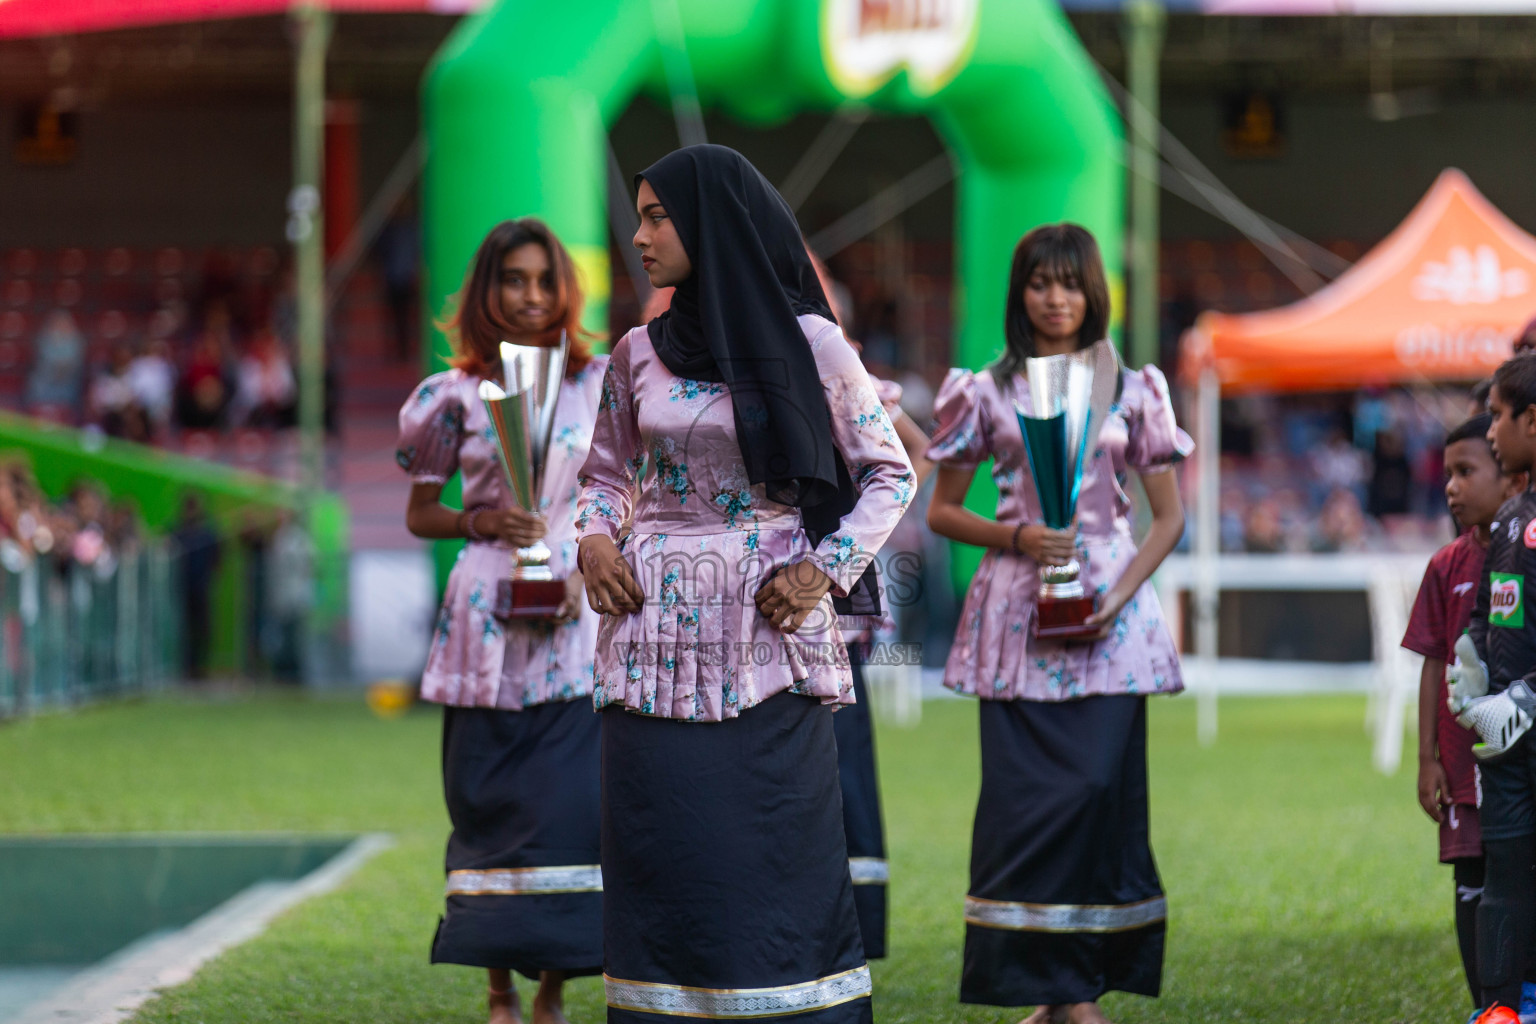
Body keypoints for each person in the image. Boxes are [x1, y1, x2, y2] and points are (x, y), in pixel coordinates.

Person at [575, 144, 913, 1024]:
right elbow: (605, 474)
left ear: (712, 222)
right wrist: (593, 541)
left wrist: (823, 571)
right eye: (640, 216)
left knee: (768, 842)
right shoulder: (636, 353)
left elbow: (890, 473)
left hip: (767, 635)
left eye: (659, 217)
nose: (641, 237)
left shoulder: (812, 344)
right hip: (649, 639)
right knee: (662, 844)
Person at [925, 224, 1191, 1024]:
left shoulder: (1136, 387)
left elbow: (1168, 518)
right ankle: (1057, 995)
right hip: (1015, 617)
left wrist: (1119, 596)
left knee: (1098, 795)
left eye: (1069, 283)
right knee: (1024, 806)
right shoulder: (980, 390)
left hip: (1112, 624)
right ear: (1020, 294)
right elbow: (940, 509)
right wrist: (1015, 537)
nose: (1055, 298)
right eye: (1040, 283)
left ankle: (1073, 986)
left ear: (1093, 292)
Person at [397, 218, 608, 1024]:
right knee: (486, 799)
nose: (529, 296)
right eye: (512, 280)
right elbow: (423, 514)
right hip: (484, 616)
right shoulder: (451, 395)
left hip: (574, 615)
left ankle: (553, 987)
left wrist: (579, 559)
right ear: (487, 290)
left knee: (569, 806)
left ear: (564, 290)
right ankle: (497, 986)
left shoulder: (601, 386)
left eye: (542, 281)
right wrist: (482, 525)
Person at [1402, 413, 1529, 1015]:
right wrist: (1427, 757)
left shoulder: (1521, 551)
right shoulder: (1445, 565)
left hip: (1515, 758)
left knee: (1516, 879)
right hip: (1462, 767)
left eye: (1465, 471)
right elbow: (1432, 662)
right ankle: (1487, 1004)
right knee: (1471, 887)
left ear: (1509, 481)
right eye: (1448, 472)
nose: (1450, 485)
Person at [1458, 356, 1536, 1023]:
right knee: (1505, 876)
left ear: (1532, 421)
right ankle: (1501, 1009)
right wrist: (1472, 667)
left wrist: (1527, 698)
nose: (1490, 431)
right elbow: (1487, 611)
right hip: (1503, 743)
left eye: (1499, 415)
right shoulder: (1512, 518)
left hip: (1525, 718)